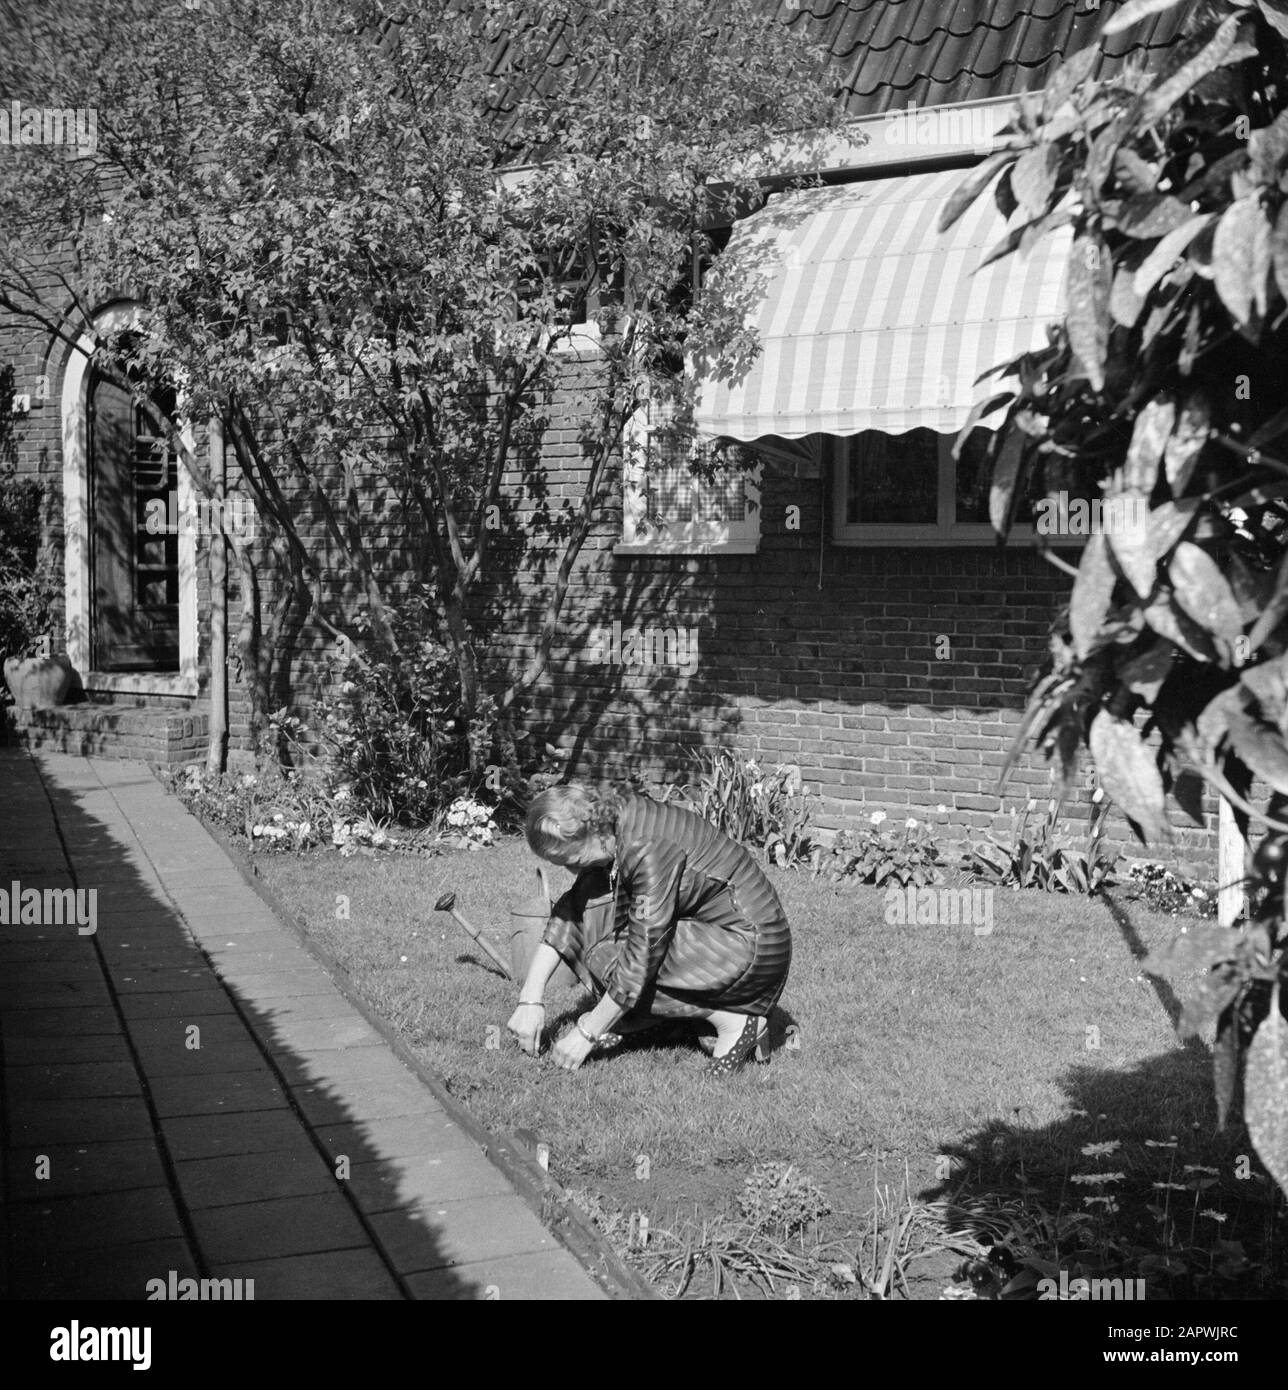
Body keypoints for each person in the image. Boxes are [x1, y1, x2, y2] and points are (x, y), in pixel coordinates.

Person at [506, 781, 791, 1076]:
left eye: (572, 861)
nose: (571, 871)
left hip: (754, 948)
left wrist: (587, 1032)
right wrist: (530, 998)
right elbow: (573, 908)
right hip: (721, 934)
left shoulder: (646, 847)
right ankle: (659, 1022)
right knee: (595, 918)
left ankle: (734, 1020)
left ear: (593, 832)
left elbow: (644, 951)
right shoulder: (611, 822)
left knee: (611, 957)